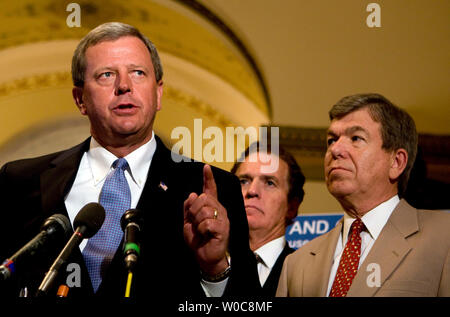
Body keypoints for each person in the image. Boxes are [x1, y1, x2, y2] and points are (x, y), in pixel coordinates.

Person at [0, 22, 260, 299]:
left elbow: (249, 304)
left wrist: (214, 269)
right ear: (80, 99)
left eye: (138, 73)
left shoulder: (214, 189)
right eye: (106, 75)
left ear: (158, 93)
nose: (124, 86)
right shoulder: (20, 182)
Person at [277, 93, 450, 297]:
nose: (336, 149)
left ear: (396, 163)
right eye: (331, 140)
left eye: (356, 138)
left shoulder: (443, 236)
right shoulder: (297, 263)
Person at [231, 143, 305, 296]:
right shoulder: (201, 265)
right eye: (243, 181)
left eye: (270, 183)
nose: (252, 191)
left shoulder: (306, 273)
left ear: (292, 206)